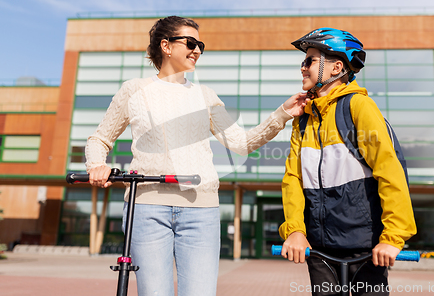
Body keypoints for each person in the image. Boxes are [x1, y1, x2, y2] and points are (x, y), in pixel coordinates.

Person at [85, 16, 309, 296]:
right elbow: (99, 139)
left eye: (200, 45)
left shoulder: (205, 95)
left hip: (201, 211)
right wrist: (96, 164)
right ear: (165, 46)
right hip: (147, 209)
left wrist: (282, 114)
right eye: (190, 43)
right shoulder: (135, 90)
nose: (198, 50)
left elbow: (240, 142)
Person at [279, 28, 417, 296]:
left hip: (366, 249)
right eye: (303, 61)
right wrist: (295, 230)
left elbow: (390, 171)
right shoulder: (304, 119)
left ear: (336, 67)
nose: (303, 68)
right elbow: (293, 179)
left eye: (310, 60)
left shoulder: (359, 106)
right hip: (319, 249)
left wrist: (392, 238)